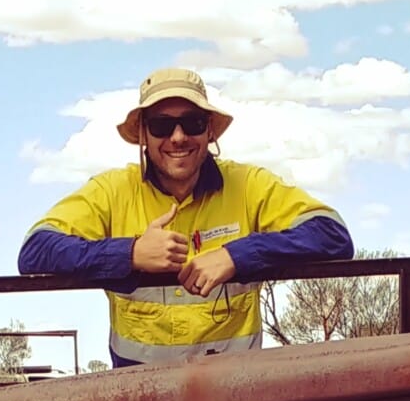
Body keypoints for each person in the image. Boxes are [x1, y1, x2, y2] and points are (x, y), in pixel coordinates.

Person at [20, 66, 352, 365]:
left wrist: (238, 255)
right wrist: (130, 253)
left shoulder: (249, 185)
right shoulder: (112, 191)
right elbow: (35, 250)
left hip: (236, 399)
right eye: (162, 125)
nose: (178, 137)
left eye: (192, 123)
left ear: (209, 132)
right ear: (143, 136)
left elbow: (332, 234)